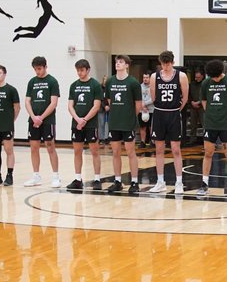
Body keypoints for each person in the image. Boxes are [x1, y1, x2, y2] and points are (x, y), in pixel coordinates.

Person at [197, 58, 227, 196]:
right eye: (213, 78)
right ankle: (204, 184)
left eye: (217, 77)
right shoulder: (205, 83)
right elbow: (204, 102)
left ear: (221, 72)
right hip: (210, 124)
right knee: (208, 153)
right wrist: (212, 115)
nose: (215, 80)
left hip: (226, 124)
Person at [150, 51, 189, 194]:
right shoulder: (155, 77)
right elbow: (153, 96)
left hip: (173, 114)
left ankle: (179, 183)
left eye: (167, 64)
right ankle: (160, 182)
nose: (165, 66)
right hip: (159, 113)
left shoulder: (181, 76)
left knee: (176, 150)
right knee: (159, 149)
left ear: (172, 62)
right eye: (163, 64)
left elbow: (185, 97)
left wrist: (176, 109)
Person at [103, 54, 142, 193]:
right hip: (114, 122)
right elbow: (109, 101)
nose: (118, 64)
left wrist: (130, 116)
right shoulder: (110, 82)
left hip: (128, 122)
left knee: (131, 152)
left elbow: (138, 104)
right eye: (116, 62)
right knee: (115, 152)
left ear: (127, 65)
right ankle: (118, 181)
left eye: (121, 62)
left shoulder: (133, 82)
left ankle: (134, 182)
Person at [66, 58, 104, 192]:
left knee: (94, 151)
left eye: (82, 70)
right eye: (78, 70)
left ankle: (97, 179)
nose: (79, 73)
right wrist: (77, 119)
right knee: (77, 151)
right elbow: (70, 106)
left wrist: (85, 120)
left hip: (90, 124)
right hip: (77, 124)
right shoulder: (73, 85)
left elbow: (96, 106)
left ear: (88, 70)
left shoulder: (95, 85)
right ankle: (77, 179)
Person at [23, 56, 60, 188]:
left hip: (47, 120)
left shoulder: (52, 81)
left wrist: (41, 117)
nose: (37, 71)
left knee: (50, 146)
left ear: (45, 67)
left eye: (39, 68)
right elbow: (27, 101)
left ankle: (56, 176)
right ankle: (36, 176)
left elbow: (53, 102)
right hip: (33, 120)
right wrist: (33, 117)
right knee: (34, 147)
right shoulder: (32, 82)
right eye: (35, 69)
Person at [186, 68, 205, 146]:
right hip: (193, 107)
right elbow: (188, 94)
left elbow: (206, 95)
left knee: (204, 124)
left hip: (202, 107)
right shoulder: (192, 84)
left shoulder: (205, 84)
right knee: (193, 124)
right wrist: (191, 102)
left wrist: (199, 102)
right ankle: (192, 139)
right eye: (196, 77)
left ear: (202, 76)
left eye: (198, 77)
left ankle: (206, 140)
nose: (196, 79)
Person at [138, 72, 153, 147]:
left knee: (151, 126)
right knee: (142, 127)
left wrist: (145, 104)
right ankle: (142, 142)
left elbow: (153, 98)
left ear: (150, 78)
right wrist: (142, 106)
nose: (145, 79)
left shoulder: (153, 87)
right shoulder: (139, 87)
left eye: (147, 77)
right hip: (142, 110)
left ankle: (152, 141)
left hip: (151, 110)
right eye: (144, 77)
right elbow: (138, 97)